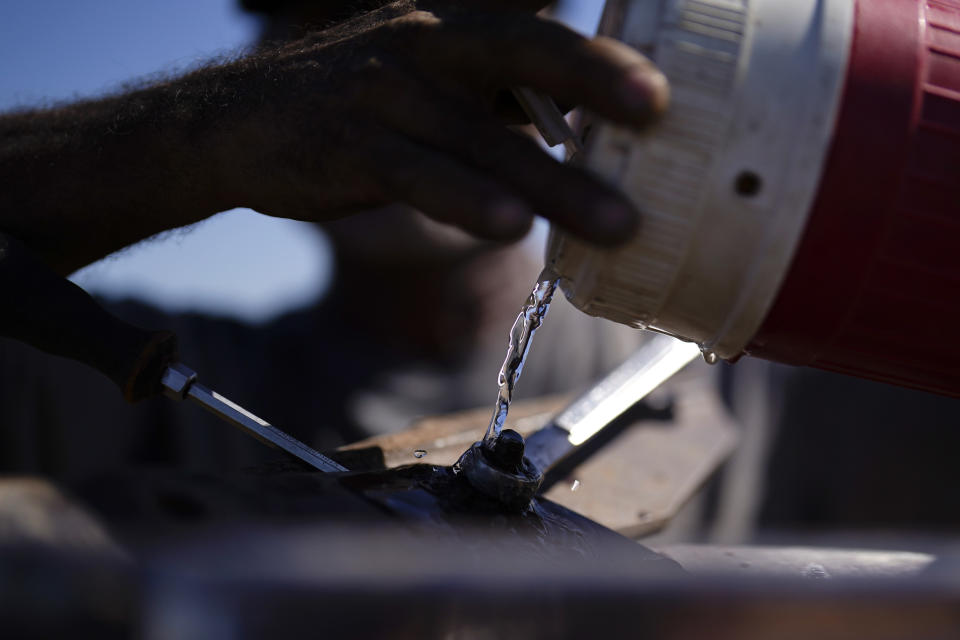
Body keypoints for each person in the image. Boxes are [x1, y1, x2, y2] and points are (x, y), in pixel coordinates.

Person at [0, 0, 667, 481]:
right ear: (282, 77)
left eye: (460, 17)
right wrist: (196, 135)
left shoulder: (717, 379)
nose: (402, 78)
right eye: (339, 26)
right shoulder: (95, 369)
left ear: (568, 64)